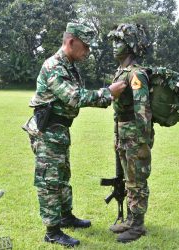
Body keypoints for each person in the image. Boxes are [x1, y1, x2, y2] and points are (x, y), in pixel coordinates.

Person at [22, 22, 126, 247]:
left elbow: (81, 97)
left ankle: (65, 216)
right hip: (47, 131)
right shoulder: (54, 66)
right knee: (50, 180)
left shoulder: (70, 66)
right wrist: (107, 92)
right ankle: (52, 231)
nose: (87, 51)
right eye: (85, 46)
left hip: (59, 131)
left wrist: (107, 97)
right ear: (71, 42)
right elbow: (74, 97)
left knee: (62, 177)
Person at [107, 23, 153, 243]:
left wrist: (144, 142)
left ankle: (137, 225)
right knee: (128, 179)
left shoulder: (136, 74)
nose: (115, 46)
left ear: (131, 45)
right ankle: (131, 219)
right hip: (124, 133)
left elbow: (142, 109)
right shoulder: (121, 72)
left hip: (135, 135)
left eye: (120, 41)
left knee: (137, 180)